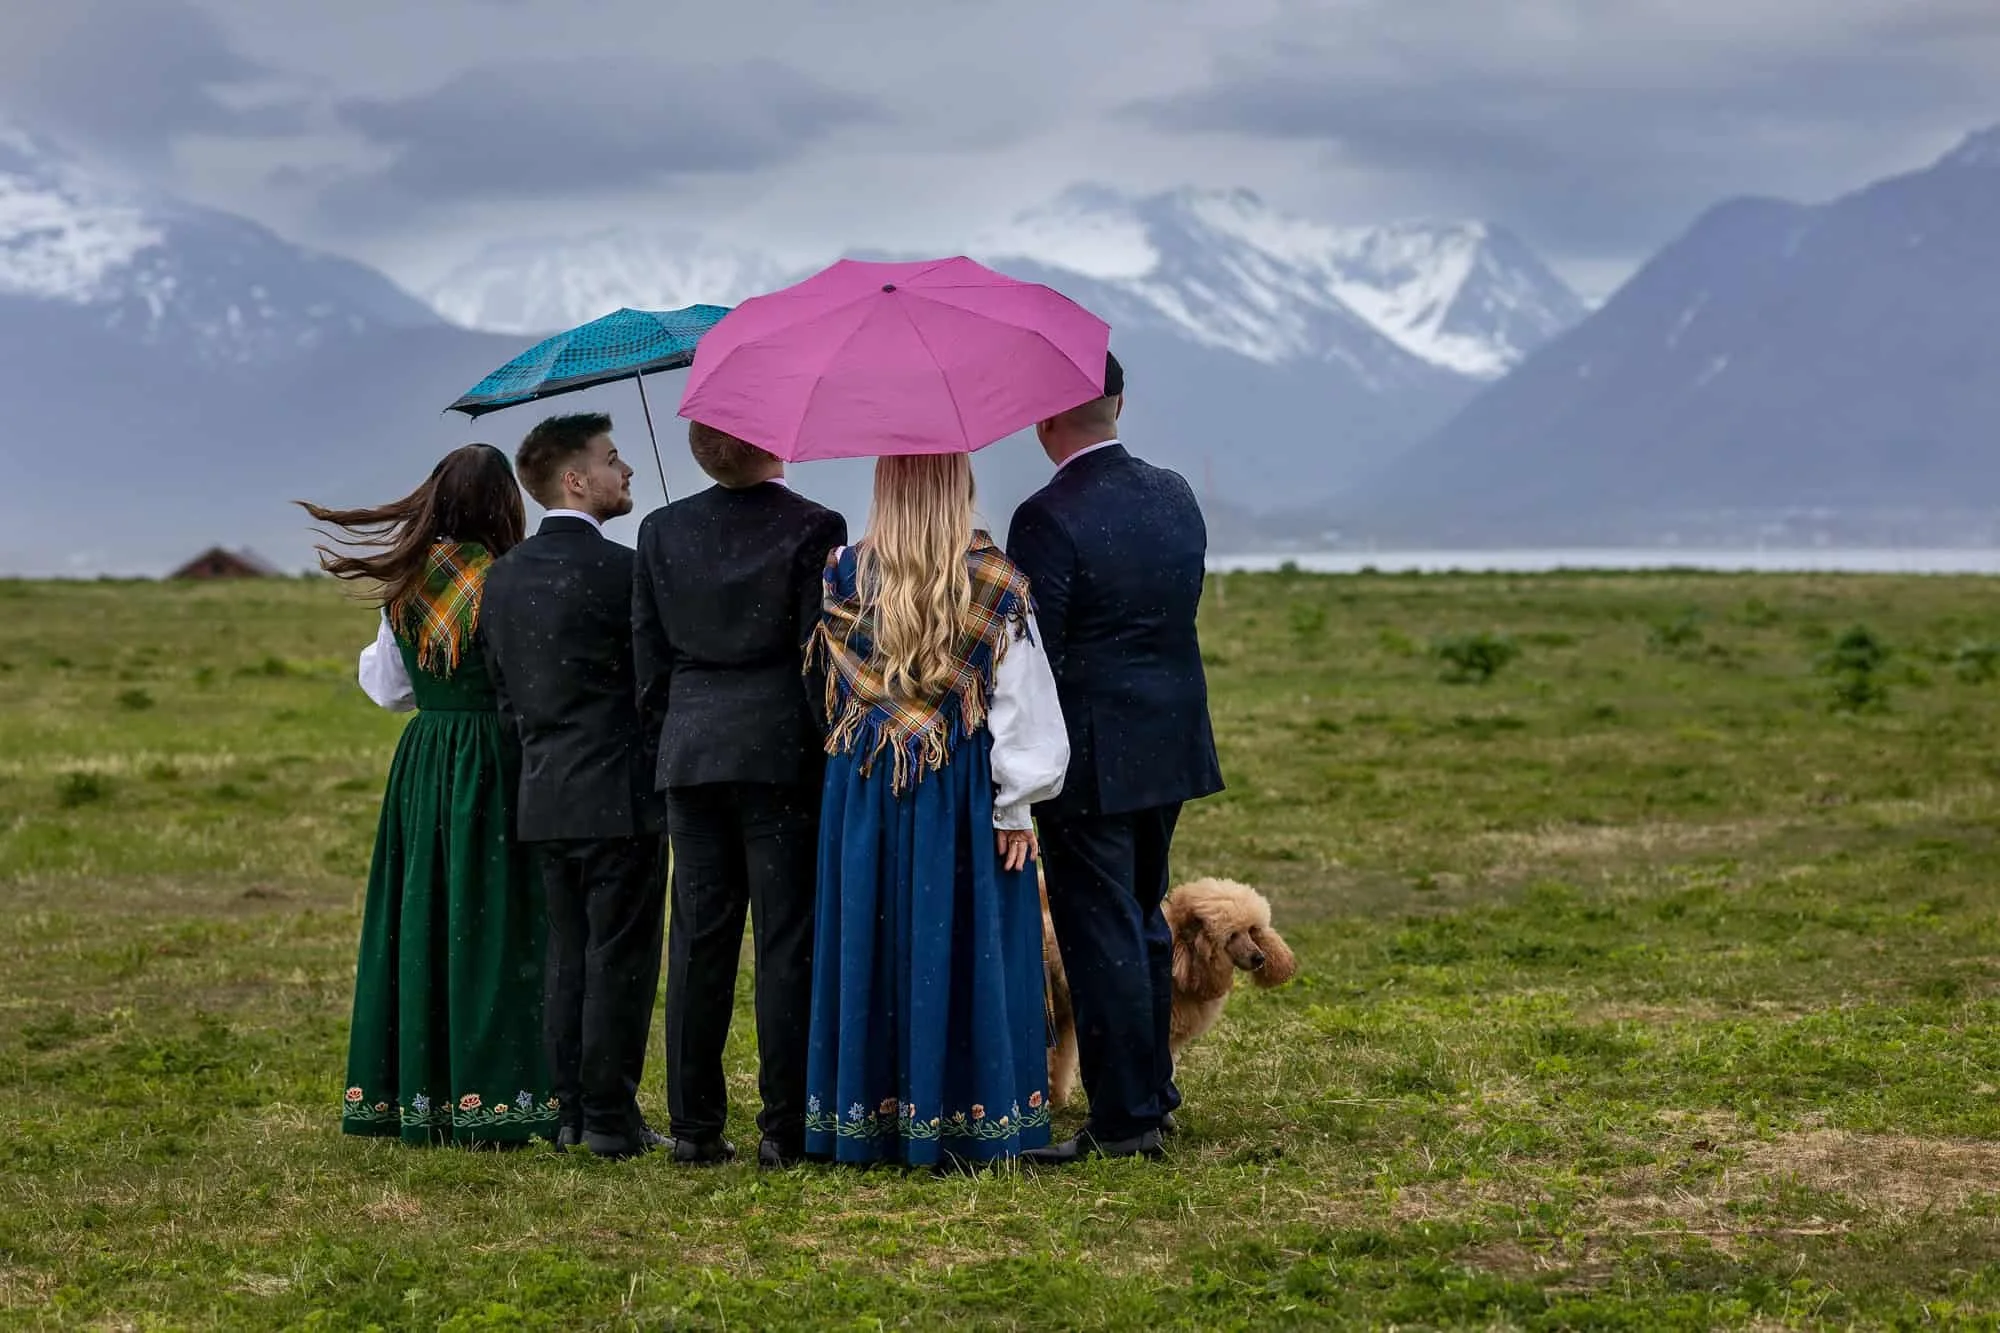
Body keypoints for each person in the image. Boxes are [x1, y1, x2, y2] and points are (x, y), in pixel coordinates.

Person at [803, 452, 1068, 1171]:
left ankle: (869, 1115)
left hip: (865, 782)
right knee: (968, 936)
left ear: (884, 488)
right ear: (961, 487)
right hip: (960, 786)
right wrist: (1016, 807)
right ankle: (970, 1112)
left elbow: (837, 687)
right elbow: (1022, 706)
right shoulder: (997, 581)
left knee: (872, 930)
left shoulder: (843, 573)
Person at [301, 443, 556, 1148]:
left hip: (429, 756)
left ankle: (416, 1091)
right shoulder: (512, 579)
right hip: (500, 755)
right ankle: (502, 1092)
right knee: (500, 914)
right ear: (505, 505)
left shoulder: (406, 587)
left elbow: (389, 691)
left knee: (424, 913)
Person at [1008, 352, 1225, 1165]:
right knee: (1142, 914)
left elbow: (1040, 651)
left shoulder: (1046, 515)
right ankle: (1151, 1093)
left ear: (1043, 417)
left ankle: (1126, 1117)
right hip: (1170, 737)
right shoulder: (1175, 493)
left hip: (1091, 751)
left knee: (1099, 931)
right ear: (1119, 403)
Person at [632, 422, 849, 1168]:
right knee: (786, 943)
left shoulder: (660, 529)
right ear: (774, 438)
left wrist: (669, 738)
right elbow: (816, 653)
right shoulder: (815, 525)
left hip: (690, 750)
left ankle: (694, 1127)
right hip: (780, 752)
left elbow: (648, 658)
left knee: (698, 941)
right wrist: (828, 745)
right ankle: (785, 1128)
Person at [477, 413, 667, 1160]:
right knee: (620, 958)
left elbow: (504, 696)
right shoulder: (626, 571)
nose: (628, 472)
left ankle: (568, 1114)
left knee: (567, 954)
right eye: (614, 460)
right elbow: (653, 682)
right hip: (621, 793)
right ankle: (611, 1120)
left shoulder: (502, 576)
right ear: (576, 479)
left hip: (545, 792)